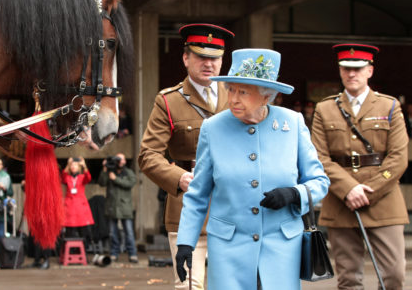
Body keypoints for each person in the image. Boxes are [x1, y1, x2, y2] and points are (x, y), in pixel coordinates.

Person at [175, 48, 330, 290]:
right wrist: (186, 242)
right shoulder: (212, 128)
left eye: (243, 92)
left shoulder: (293, 123)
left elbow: (320, 182)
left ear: (267, 96)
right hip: (228, 249)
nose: (233, 99)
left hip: (282, 249)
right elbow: (198, 194)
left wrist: (294, 194)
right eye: (231, 90)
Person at [138, 23, 235, 290]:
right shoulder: (169, 101)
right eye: (201, 56)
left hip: (234, 208)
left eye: (215, 57)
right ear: (185, 58)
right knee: (190, 286)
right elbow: (148, 155)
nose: (209, 63)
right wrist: (180, 178)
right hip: (189, 207)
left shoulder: (237, 95)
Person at [311, 43, 409, 289]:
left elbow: (398, 157)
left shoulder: (389, 106)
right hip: (341, 200)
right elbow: (318, 157)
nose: (351, 73)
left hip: (383, 199)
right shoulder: (325, 108)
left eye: (358, 68)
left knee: (394, 276)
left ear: (370, 71)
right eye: (346, 68)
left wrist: (368, 190)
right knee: (349, 280)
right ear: (340, 71)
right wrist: (349, 189)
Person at [98, 153, 138, 263]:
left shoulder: (128, 172)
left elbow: (131, 183)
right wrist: (105, 168)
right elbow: (102, 182)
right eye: (118, 159)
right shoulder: (110, 171)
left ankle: (132, 254)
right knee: (112, 233)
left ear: (124, 161)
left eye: (122, 159)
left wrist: (116, 179)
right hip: (112, 206)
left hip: (125, 207)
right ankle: (114, 253)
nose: (120, 161)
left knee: (129, 232)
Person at [61, 157, 94, 248]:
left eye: (75, 164)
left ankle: (84, 248)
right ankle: (70, 249)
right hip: (69, 205)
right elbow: (63, 176)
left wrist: (84, 166)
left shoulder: (82, 176)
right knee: (69, 228)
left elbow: (88, 178)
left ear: (79, 166)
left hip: (80, 205)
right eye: (72, 165)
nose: (73, 166)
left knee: (82, 228)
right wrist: (68, 163)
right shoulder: (67, 177)